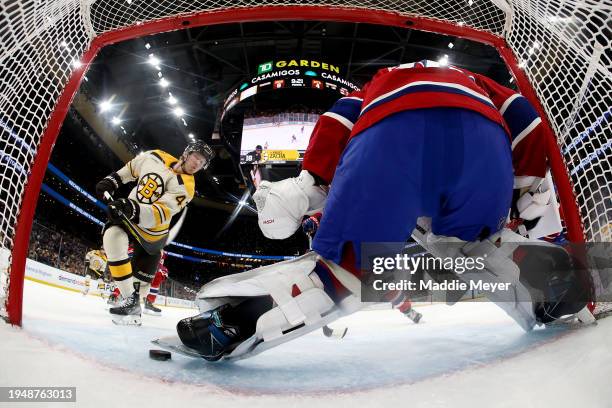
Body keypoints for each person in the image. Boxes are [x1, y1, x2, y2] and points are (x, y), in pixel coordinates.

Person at [176, 60, 591, 360]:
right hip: (482, 142)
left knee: (343, 269)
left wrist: (311, 182)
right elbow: (526, 117)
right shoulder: (476, 78)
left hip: (390, 135)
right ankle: (548, 281)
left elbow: (337, 120)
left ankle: (230, 323)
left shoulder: (373, 85)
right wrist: (529, 187)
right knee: (471, 244)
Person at [95, 141, 214, 325]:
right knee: (111, 237)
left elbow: (160, 213)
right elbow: (132, 168)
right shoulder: (156, 156)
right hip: (129, 216)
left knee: (140, 286)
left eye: (202, 162)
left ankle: (135, 304)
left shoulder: (187, 187)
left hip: (151, 235)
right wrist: (112, 181)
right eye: (196, 157)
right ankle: (129, 302)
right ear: (186, 153)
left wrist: (130, 208)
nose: (198, 163)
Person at [143, 252, 169, 316]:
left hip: (150, 269)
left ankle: (148, 303)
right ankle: (119, 296)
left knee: (158, 276)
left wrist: (162, 269)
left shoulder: (162, 253)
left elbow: (160, 263)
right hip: (142, 266)